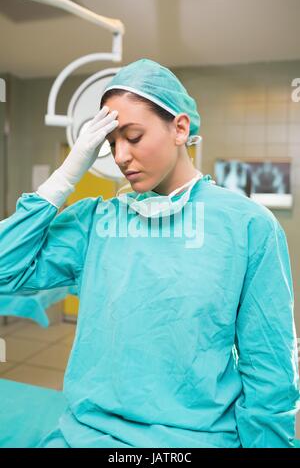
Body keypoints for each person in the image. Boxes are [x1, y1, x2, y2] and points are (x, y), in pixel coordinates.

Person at [0, 59, 299, 448]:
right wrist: (63, 177)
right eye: (110, 144)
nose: (120, 156)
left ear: (180, 128)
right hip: (85, 437)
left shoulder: (247, 226)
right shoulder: (96, 221)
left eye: (133, 136)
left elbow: (269, 368)